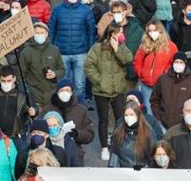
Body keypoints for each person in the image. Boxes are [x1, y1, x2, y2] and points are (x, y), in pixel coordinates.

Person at [84, 22, 133, 161]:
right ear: (112, 33)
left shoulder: (122, 46)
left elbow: (128, 59)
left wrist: (117, 49)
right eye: (120, 32)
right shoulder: (97, 48)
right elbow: (88, 66)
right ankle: (104, 147)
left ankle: (119, 145)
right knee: (103, 119)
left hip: (118, 89)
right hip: (101, 90)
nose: (122, 34)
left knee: (120, 118)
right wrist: (99, 80)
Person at [48, 0, 96, 102]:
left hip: (81, 53)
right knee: (63, 85)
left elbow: (91, 31)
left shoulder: (86, 10)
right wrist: (52, 49)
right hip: (62, 53)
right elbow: (51, 30)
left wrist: (89, 49)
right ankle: (63, 109)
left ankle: (79, 108)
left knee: (80, 85)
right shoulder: (57, 10)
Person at [0, 65, 37, 146]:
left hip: (18, 136)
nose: (6, 83)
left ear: (14, 79)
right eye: (3, 81)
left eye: (9, 80)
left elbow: (34, 108)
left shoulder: (24, 91)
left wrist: (33, 112)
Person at [42, 79, 95, 166]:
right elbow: (39, 129)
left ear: (71, 92)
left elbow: (90, 134)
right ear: (57, 92)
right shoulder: (47, 109)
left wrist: (77, 134)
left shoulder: (81, 110)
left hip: (75, 153)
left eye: (67, 90)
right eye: (62, 90)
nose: (65, 93)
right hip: (50, 152)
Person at [150, 52, 191, 130]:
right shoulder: (163, 79)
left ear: (185, 64)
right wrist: (158, 117)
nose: (178, 64)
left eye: (181, 62)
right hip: (163, 124)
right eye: (176, 62)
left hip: (184, 126)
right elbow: (154, 99)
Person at [133, 19, 178, 112]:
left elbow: (174, 63)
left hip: (163, 84)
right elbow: (137, 61)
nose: (152, 33)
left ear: (160, 31)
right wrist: (141, 73)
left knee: (164, 111)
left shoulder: (170, 46)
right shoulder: (144, 46)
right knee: (149, 112)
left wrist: (165, 74)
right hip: (146, 85)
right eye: (150, 31)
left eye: (154, 30)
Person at [19, 22, 66, 108]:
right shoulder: (26, 52)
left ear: (47, 34)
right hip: (34, 95)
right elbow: (21, 75)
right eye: (37, 33)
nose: (39, 35)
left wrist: (55, 74)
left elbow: (62, 70)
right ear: (33, 34)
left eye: (42, 33)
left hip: (52, 94)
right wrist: (28, 91)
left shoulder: (55, 50)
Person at [109, 100, 156, 169]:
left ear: (138, 115)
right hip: (123, 173)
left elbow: (153, 156)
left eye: (131, 115)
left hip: (143, 173)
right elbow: (114, 156)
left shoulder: (148, 132)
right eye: (126, 115)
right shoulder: (118, 132)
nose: (128, 117)